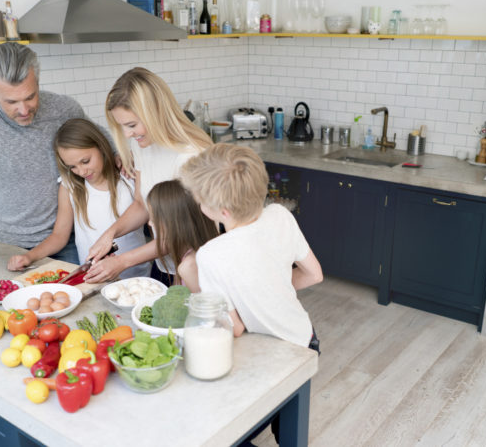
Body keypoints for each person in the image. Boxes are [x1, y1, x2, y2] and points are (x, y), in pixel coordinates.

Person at [0, 43, 113, 264]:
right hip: (10, 245)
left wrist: (121, 156)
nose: (24, 110)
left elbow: (100, 139)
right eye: (12, 101)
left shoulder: (63, 108)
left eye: (30, 97)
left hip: (66, 241)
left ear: (37, 82)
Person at [180, 143, 324, 345]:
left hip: (274, 349)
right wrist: (268, 290)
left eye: (200, 201)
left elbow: (235, 328)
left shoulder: (210, 255)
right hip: (305, 336)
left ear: (224, 212)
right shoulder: (280, 214)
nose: (199, 205)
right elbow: (314, 275)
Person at [83, 67, 212, 283]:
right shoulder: (142, 145)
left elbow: (180, 232)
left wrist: (122, 261)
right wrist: (109, 234)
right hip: (163, 265)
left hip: (195, 272)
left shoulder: (190, 157)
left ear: (155, 113)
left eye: (132, 125)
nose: (127, 134)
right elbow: (142, 204)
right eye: (121, 126)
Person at [7, 119, 149, 279]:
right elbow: (59, 236)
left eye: (85, 161)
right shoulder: (70, 186)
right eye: (72, 166)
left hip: (136, 278)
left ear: (101, 147)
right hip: (94, 279)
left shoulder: (129, 176)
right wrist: (29, 256)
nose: (81, 171)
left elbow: (143, 210)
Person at [145, 180, 219, 292]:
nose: (150, 223)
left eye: (154, 217)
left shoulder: (188, 266)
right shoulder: (187, 253)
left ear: (174, 222)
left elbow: (201, 308)